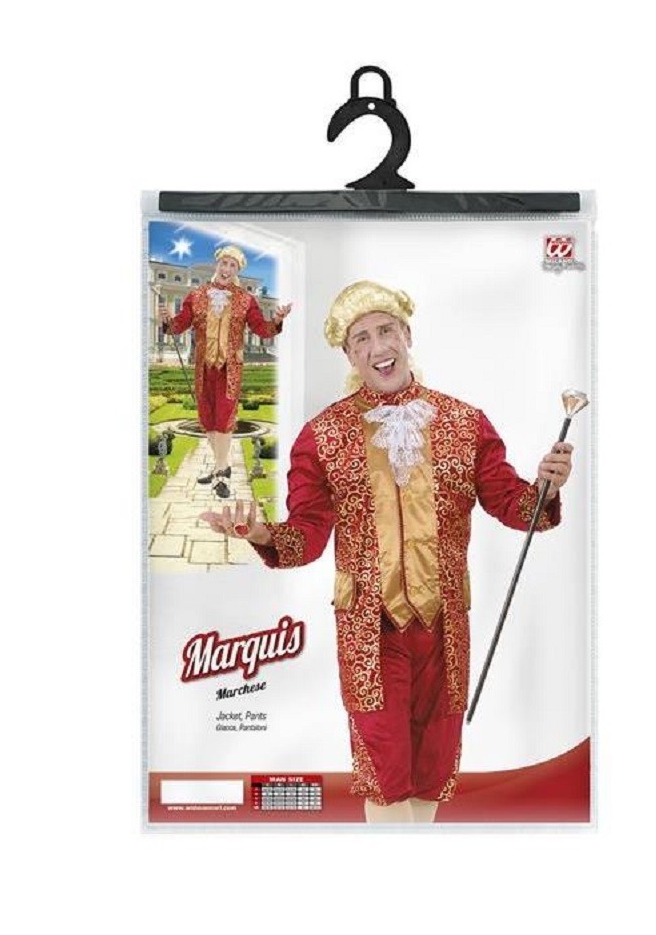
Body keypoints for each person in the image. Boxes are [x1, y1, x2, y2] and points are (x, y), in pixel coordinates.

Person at [201, 280, 573, 824]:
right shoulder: (323, 436)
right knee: (384, 769)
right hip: (369, 631)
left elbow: (515, 506)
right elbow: (307, 535)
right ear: (349, 354)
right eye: (362, 339)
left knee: (433, 766)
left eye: (386, 331)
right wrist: (262, 534)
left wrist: (546, 486)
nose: (379, 347)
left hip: (445, 627)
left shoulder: (465, 424)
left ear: (407, 335)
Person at [159, 245, 292, 497]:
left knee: (224, 418)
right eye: (224, 263)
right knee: (207, 419)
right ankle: (223, 465)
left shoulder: (245, 300)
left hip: (230, 368)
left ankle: (221, 474)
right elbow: (179, 326)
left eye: (233, 265)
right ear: (217, 265)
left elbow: (262, 330)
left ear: (237, 270)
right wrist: (167, 320)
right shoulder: (196, 295)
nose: (227, 269)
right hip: (203, 367)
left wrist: (276, 320)